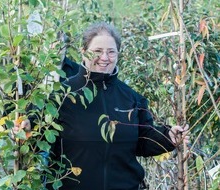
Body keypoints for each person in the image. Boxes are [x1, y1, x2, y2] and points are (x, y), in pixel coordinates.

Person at [44, 22, 189, 190]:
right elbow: (37, 133)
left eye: (111, 52)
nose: (105, 58)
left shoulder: (131, 98)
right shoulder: (63, 95)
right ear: (83, 52)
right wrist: (23, 128)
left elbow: (143, 139)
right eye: (97, 51)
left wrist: (168, 136)